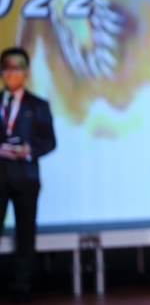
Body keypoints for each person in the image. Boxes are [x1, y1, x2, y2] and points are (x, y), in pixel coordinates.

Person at [0, 47, 56, 303]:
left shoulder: (38, 105)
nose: (12, 73)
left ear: (26, 72)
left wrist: (29, 150)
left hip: (26, 178)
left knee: (25, 236)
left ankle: (21, 288)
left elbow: (50, 141)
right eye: (7, 68)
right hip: (1, 176)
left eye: (17, 68)